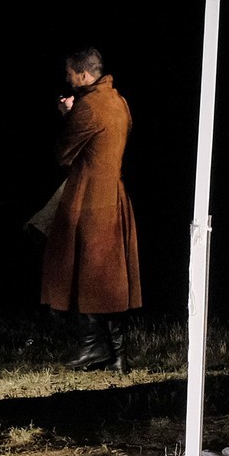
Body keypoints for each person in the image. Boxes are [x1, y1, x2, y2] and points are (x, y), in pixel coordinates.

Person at [40, 47, 141, 371]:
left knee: (86, 272)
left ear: (83, 75)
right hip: (114, 193)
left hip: (90, 198)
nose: (67, 78)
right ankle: (116, 354)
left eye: (70, 73)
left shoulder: (89, 106)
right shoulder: (118, 101)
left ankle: (94, 347)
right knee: (108, 275)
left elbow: (63, 153)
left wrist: (67, 114)